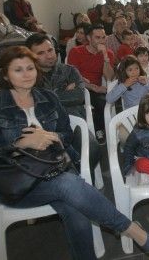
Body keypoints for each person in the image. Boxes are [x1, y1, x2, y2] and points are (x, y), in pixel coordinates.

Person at [0, 46, 149, 259]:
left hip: (52, 170)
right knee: (68, 184)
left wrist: (50, 137)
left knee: (75, 209)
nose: (26, 74)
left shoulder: (48, 98)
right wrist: (23, 143)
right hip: (16, 182)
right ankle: (132, 230)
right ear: (5, 74)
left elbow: (67, 133)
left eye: (30, 68)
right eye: (18, 70)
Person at [26, 34, 101, 172]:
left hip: (74, 120)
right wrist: (62, 92)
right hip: (43, 126)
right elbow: (33, 102)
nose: (49, 56)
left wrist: (46, 96)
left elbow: (78, 96)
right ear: (31, 56)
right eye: (41, 53)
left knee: (93, 150)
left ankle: (79, 177)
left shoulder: (69, 70)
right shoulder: (28, 77)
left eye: (50, 50)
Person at [67, 24, 115, 143]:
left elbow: (109, 76)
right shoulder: (76, 51)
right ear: (89, 38)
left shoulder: (108, 53)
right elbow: (72, 76)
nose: (101, 41)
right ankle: (85, 133)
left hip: (96, 90)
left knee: (102, 102)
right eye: (97, 38)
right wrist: (92, 87)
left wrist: (105, 56)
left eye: (103, 37)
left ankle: (100, 130)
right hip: (79, 87)